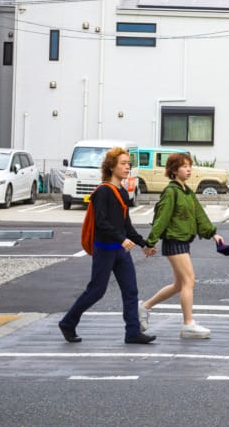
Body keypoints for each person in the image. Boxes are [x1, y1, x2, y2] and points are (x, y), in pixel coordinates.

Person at [58, 147, 157, 344]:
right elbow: (101, 223)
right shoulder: (103, 191)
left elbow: (126, 225)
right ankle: (68, 322)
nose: (127, 167)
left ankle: (132, 332)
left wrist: (143, 244)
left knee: (131, 291)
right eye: (123, 163)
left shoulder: (122, 191)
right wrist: (121, 239)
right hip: (104, 249)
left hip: (120, 251)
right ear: (111, 167)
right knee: (96, 290)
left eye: (129, 163)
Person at [140, 152, 226, 339]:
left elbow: (200, 216)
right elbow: (161, 219)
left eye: (189, 166)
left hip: (183, 241)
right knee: (189, 281)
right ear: (173, 170)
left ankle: (144, 307)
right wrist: (150, 242)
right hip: (174, 241)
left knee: (179, 284)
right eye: (184, 166)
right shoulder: (171, 192)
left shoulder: (186, 191)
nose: (188, 169)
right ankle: (188, 324)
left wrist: (214, 234)